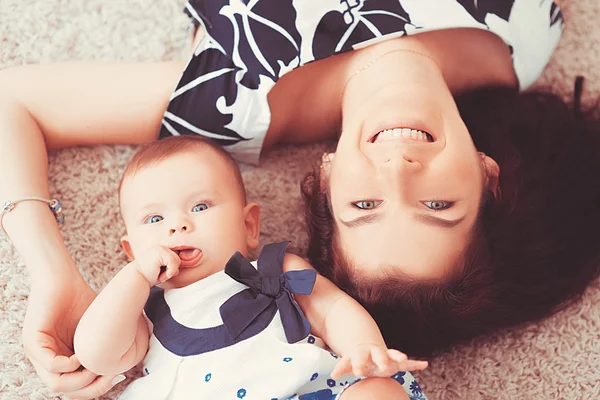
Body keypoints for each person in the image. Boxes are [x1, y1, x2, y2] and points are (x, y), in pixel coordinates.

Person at [0, 0, 598, 398]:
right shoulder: (528, 31)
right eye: (438, 206)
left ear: (327, 175)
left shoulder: (230, 104)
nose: (397, 171)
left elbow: (12, 102)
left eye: (363, 207)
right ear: (487, 176)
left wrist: (53, 273)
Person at [73, 135, 428, 399]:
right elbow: (99, 356)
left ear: (249, 226)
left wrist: (362, 347)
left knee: (377, 392)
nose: (177, 225)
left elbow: (332, 308)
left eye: (200, 207)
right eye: (154, 217)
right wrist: (132, 279)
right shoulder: (143, 309)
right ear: (131, 249)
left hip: (302, 390)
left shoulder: (275, 269)